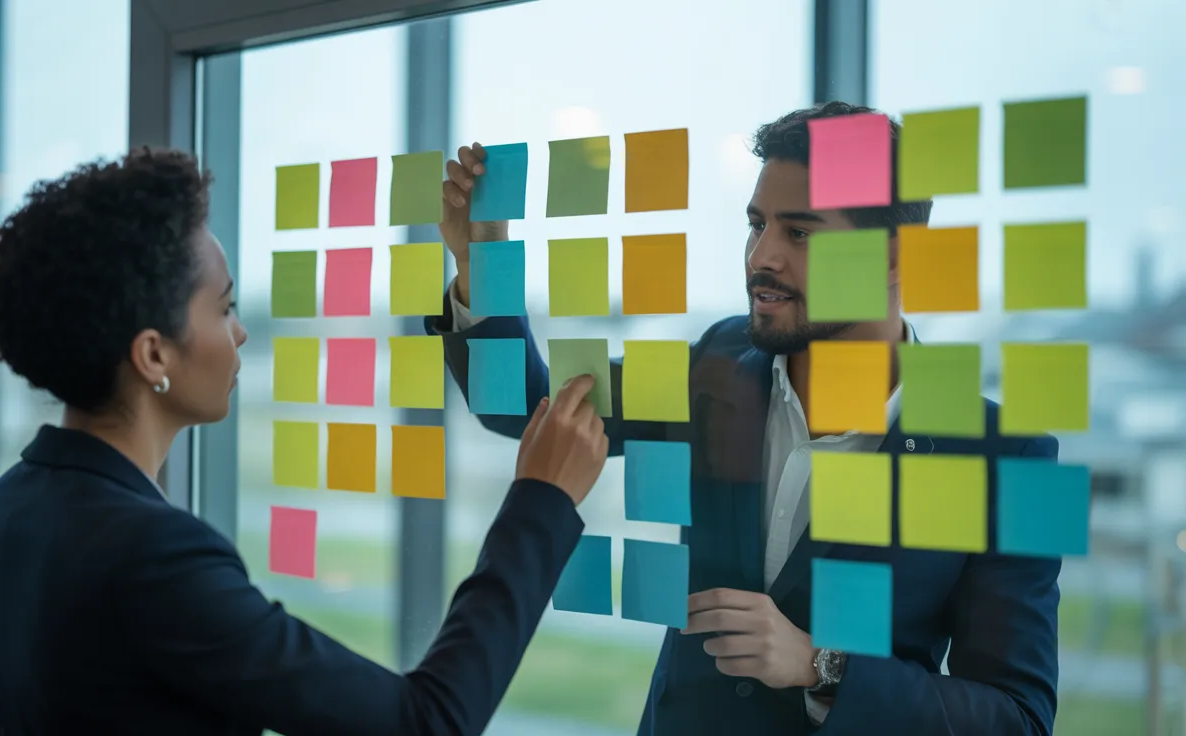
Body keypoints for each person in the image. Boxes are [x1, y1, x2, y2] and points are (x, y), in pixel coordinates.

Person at [426, 102, 1061, 735]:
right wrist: (483, 266)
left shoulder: (1003, 459)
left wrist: (821, 666)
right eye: (757, 225)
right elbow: (529, 415)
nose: (762, 257)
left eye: (800, 233)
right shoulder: (717, 360)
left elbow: (1019, 718)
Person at [0, 148, 610, 736]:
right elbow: (425, 723)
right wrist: (538, 503)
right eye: (225, 307)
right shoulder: (153, 557)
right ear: (152, 355)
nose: (239, 334)